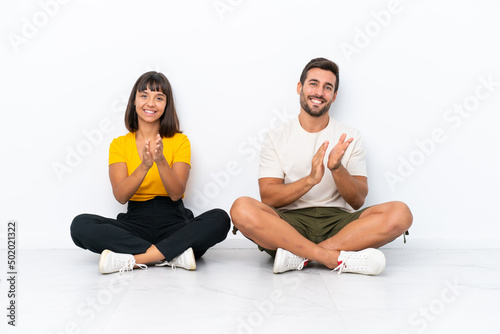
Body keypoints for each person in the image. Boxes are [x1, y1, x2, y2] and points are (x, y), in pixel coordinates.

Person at [230, 58, 412, 276]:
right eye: (313, 84)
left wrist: (336, 169)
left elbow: (357, 201)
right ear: (300, 87)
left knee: (401, 213)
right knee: (241, 208)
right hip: (289, 226)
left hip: (340, 224)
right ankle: (331, 257)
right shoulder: (276, 137)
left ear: (334, 96)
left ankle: (300, 256)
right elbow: (268, 198)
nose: (319, 92)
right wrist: (310, 180)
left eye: (328, 87)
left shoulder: (349, 136)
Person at [71, 71, 230, 274]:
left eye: (159, 98)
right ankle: (174, 253)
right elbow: (120, 196)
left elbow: (175, 193)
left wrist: (160, 160)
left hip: (174, 221)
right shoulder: (119, 144)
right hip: (136, 223)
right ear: (134, 101)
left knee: (220, 218)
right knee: (80, 225)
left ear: (167, 105)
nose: (151, 103)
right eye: (144, 95)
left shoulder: (180, 141)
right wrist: (145, 165)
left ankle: (136, 259)